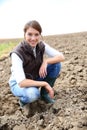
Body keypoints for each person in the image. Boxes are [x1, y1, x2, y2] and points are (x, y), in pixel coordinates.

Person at [9, 20, 65, 108]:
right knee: (33, 94)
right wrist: (45, 84)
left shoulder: (41, 45)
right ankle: (24, 100)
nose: (33, 38)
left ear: (40, 35)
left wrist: (45, 61)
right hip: (19, 84)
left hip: (34, 77)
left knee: (56, 64)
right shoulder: (17, 53)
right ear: (24, 34)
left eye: (36, 34)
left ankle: (44, 94)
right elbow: (22, 82)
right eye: (30, 34)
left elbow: (61, 57)